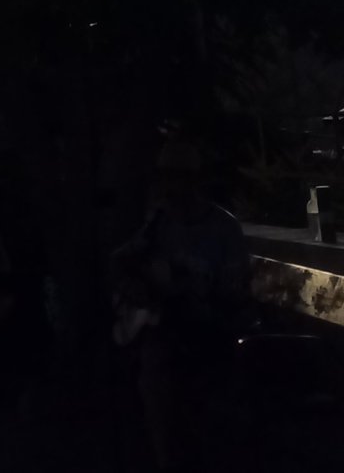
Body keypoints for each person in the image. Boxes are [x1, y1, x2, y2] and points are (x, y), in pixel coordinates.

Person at [111, 137, 249, 471]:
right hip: (171, 335)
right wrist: (133, 287)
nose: (169, 188)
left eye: (177, 178)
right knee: (156, 378)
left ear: (194, 181)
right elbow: (122, 261)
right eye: (166, 178)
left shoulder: (223, 229)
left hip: (208, 338)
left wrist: (194, 295)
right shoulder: (159, 222)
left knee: (184, 388)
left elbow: (233, 298)